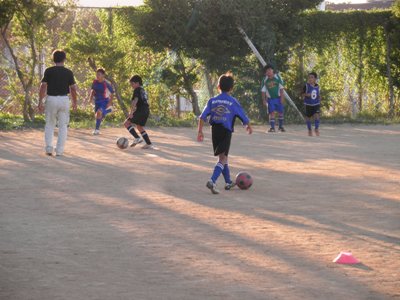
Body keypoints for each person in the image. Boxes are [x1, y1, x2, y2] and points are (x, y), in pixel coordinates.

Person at [197, 74, 252, 194]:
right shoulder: (232, 101)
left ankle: (228, 182)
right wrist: (248, 125)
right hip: (225, 131)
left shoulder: (212, 100)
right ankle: (212, 180)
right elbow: (242, 115)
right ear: (231, 88)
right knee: (222, 158)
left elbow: (202, 117)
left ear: (218, 87)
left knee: (223, 156)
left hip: (215, 130)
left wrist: (200, 131)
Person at [38, 49, 77, 156]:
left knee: (50, 124)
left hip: (51, 99)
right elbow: (73, 88)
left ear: (53, 59)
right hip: (64, 99)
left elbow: (43, 86)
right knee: (63, 126)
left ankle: (49, 148)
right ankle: (59, 151)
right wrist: (74, 102)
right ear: (64, 59)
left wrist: (40, 101)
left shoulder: (48, 71)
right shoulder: (68, 72)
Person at [124, 75, 153, 149]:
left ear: (137, 83)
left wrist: (131, 113)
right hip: (146, 110)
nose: (131, 86)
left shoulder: (137, 89)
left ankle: (137, 138)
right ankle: (148, 143)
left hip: (141, 110)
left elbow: (135, 101)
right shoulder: (143, 90)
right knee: (139, 126)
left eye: (132, 84)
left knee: (126, 123)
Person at [261, 64, 286, 133]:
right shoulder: (265, 79)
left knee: (280, 112)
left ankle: (281, 127)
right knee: (271, 113)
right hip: (270, 99)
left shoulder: (277, 77)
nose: (268, 72)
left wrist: (282, 97)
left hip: (278, 98)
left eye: (269, 70)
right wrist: (263, 99)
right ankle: (272, 127)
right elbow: (263, 90)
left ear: (273, 70)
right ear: (265, 73)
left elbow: (281, 88)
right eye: (266, 71)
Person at [89, 68, 114, 135]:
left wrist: (110, 102)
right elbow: (93, 91)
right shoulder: (94, 82)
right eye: (96, 74)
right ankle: (108, 111)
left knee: (99, 112)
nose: (97, 76)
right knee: (97, 115)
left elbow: (112, 93)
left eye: (99, 74)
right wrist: (90, 99)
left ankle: (96, 130)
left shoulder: (106, 83)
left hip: (104, 101)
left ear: (103, 75)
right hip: (97, 101)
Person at [302, 72, 321, 136]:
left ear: (315, 79)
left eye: (312, 77)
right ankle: (309, 130)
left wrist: (319, 98)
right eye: (309, 77)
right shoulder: (306, 86)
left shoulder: (317, 86)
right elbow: (302, 94)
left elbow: (318, 94)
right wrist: (307, 95)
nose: (310, 79)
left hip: (316, 104)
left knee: (317, 115)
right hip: (308, 104)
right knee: (308, 117)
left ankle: (316, 128)